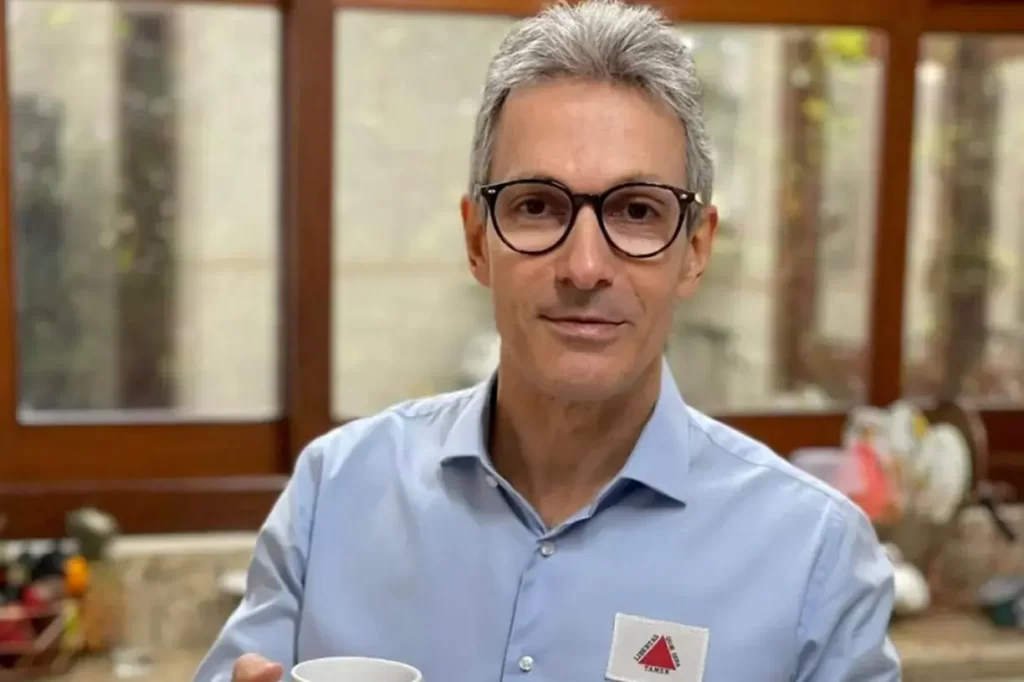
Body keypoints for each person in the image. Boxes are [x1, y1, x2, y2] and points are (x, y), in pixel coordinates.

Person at [195, 1, 901, 680]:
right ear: (478, 241)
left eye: (637, 211)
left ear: (695, 250)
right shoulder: (335, 494)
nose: (585, 268)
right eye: (537, 206)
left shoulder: (814, 557)